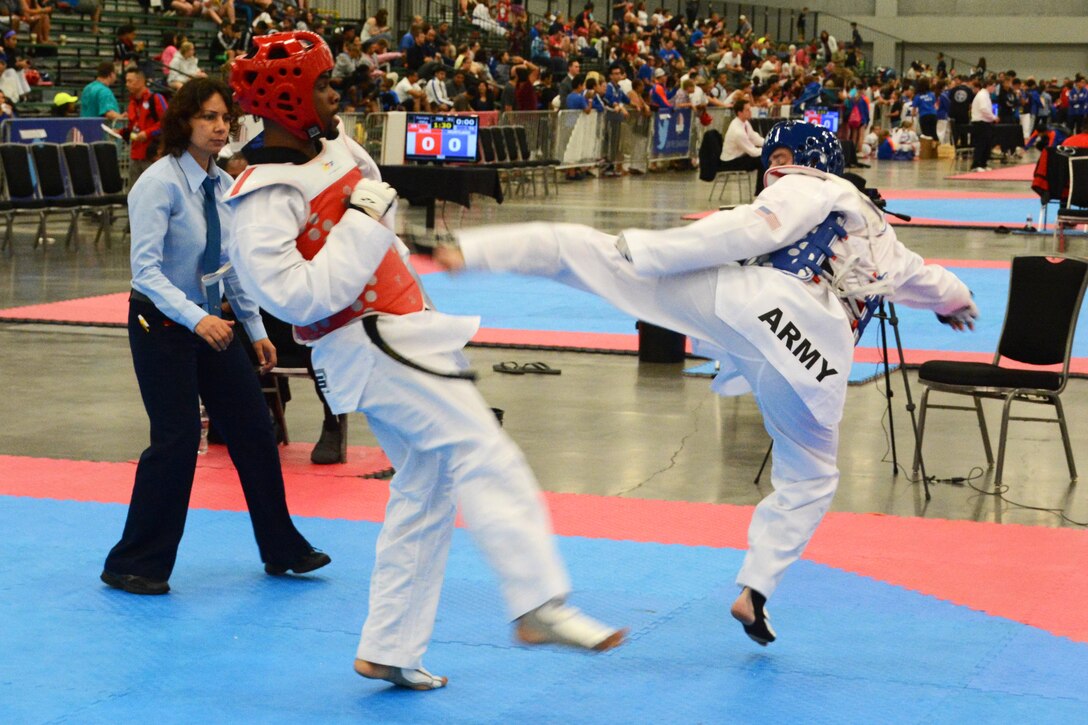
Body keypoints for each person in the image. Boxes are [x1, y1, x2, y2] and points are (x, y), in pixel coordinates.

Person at [436, 120, 978, 648]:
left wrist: (651, 251)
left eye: (780, 158)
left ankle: (472, 251)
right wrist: (957, 304)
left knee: (587, 252)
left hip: (758, 310)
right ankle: (757, 589)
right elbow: (930, 280)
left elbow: (752, 229)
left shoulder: (811, 186)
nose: (774, 168)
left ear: (801, 161)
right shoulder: (880, 229)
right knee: (811, 478)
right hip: (816, 363)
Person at [224, 31, 625, 690]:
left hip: (404, 322)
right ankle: (538, 602)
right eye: (322, 84)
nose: (336, 94)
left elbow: (378, 200)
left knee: (428, 482)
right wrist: (359, 219)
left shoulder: (337, 145)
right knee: (483, 448)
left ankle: (389, 646)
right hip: (367, 337)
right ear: (288, 96)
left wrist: (373, 222)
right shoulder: (262, 196)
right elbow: (295, 296)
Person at [102, 77, 330, 597]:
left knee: (254, 430)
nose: (220, 126)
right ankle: (133, 561)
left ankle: (282, 548)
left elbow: (230, 265)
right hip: (159, 324)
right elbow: (146, 273)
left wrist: (254, 328)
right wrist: (195, 318)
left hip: (214, 325)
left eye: (225, 117)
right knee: (177, 441)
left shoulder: (223, 186)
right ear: (184, 123)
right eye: (208, 117)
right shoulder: (157, 184)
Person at [122, 68, 168, 187]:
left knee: (154, 193)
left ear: (141, 82)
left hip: (152, 156)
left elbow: (167, 123)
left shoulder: (156, 98)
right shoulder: (132, 103)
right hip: (135, 156)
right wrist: (121, 132)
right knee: (134, 195)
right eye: (126, 81)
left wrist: (147, 133)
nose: (127, 84)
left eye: (130, 81)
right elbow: (133, 127)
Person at [717, 99, 764, 191]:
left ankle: (761, 189)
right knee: (762, 160)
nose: (750, 112)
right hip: (730, 162)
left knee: (763, 158)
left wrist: (769, 143)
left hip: (739, 157)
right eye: (747, 110)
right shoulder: (737, 131)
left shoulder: (744, 123)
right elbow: (752, 151)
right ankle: (760, 191)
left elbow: (754, 138)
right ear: (740, 113)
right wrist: (768, 150)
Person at [970, 75, 997, 171]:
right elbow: (983, 109)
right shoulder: (982, 95)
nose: (994, 88)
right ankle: (976, 165)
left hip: (985, 122)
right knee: (981, 144)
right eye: (993, 86)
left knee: (987, 144)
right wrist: (993, 117)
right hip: (980, 123)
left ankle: (983, 163)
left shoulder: (986, 95)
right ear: (988, 85)